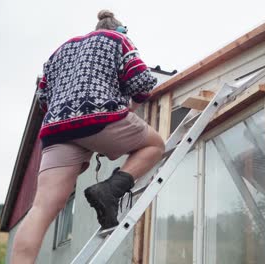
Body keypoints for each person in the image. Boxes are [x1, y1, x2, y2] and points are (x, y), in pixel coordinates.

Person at [11, 10, 165, 263]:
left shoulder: (59, 51)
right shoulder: (118, 40)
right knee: (155, 145)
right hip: (99, 118)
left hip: (56, 129)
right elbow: (142, 82)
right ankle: (110, 190)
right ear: (121, 29)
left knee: (41, 209)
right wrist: (132, 106)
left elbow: (43, 98)